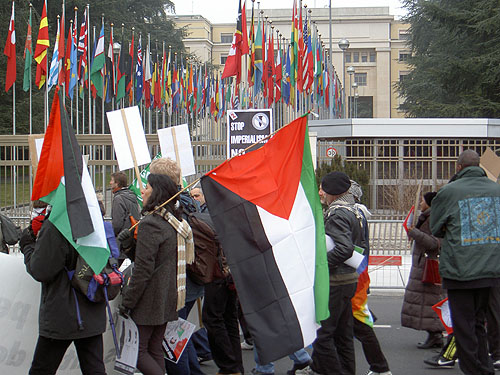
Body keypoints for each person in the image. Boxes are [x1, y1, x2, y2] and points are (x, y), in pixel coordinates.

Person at [431, 149, 500, 375]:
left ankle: (473, 370)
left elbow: (436, 228)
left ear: (458, 167)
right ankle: (484, 368)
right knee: (479, 322)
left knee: (463, 326)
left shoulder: (449, 192)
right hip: (491, 269)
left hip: (460, 270)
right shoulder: (496, 190)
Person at [19, 208, 107, 374]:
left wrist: (28, 246)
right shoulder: (93, 215)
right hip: (91, 310)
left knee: (41, 370)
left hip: (62, 315)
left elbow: (41, 270)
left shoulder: (56, 223)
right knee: (94, 370)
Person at [301, 171, 364, 375]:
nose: (320, 192)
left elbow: (344, 249)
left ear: (331, 191)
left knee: (323, 335)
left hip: (335, 281)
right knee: (343, 335)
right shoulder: (354, 210)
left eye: (322, 188)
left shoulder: (336, 213)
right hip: (349, 279)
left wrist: (321, 264)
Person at [149, 157, 208, 375]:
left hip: (179, 282)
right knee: (179, 334)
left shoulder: (171, 207)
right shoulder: (190, 201)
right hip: (193, 278)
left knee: (172, 339)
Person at [119, 173, 182, 375]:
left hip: (149, 300)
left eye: (146, 187)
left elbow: (143, 270)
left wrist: (128, 302)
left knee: (138, 353)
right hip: (165, 296)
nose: (143, 191)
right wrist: (129, 245)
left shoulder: (151, 224)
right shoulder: (172, 221)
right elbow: (147, 258)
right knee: (154, 350)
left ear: (157, 193)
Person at [349, 181, 392, 375]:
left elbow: (349, 247)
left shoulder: (350, 214)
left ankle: (380, 367)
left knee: (359, 322)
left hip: (352, 273)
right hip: (356, 272)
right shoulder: (356, 213)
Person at [401, 191, 445, 349]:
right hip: (422, 265)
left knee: (430, 302)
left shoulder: (434, 218)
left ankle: (436, 334)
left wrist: (414, 232)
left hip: (429, 265)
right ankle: (434, 334)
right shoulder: (426, 217)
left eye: (422, 201)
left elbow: (435, 243)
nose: (420, 203)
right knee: (425, 302)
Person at [109, 171, 140, 236]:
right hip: (133, 234)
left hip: (123, 237)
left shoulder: (119, 198)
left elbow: (117, 224)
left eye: (112, 180)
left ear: (117, 183)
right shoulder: (132, 195)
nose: (110, 183)